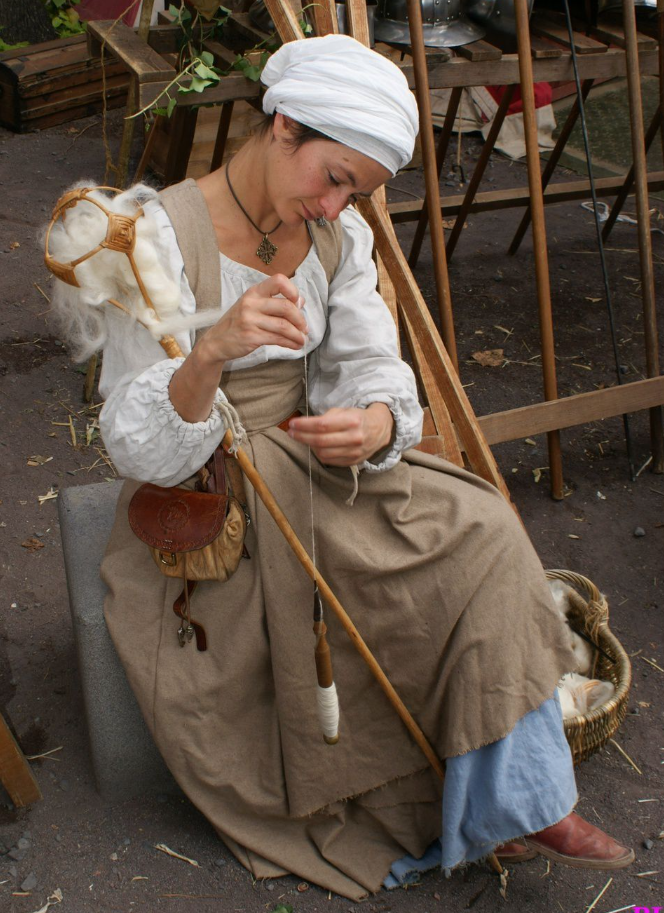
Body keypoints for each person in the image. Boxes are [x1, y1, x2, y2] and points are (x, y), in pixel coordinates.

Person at [93, 34, 633, 902]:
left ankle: (523, 795)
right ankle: (458, 794)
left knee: (485, 527)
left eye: (358, 191)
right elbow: (131, 439)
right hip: (212, 483)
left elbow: (372, 361)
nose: (337, 203)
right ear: (282, 127)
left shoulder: (337, 238)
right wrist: (213, 351)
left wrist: (377, 418)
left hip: (317, 456)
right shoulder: (152, 233)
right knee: (357, 586)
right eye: (333, 176)